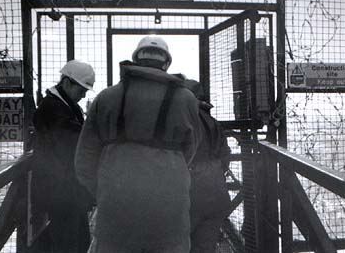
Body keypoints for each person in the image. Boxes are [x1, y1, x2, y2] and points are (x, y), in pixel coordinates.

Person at [75, 36, 202, 253]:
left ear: (135, 60)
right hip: (169, 210)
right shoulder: (187, 99)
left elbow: (84, 159)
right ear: (166, 63)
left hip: (116, 210)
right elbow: (191, 149)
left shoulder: (106, 97)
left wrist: (104, 190)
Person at [32, 59, 96, 253]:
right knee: (70, 243)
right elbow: (74, 143)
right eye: (82, 89)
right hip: (62, 192)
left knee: (74, 241)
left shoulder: (59, 106)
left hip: (64, 191)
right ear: (67, 82)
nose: (84, 94)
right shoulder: (54, 109)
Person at [182, 79, 232, 253]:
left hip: (190, 194)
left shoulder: (183, 120)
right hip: (216, 194)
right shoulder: (213, 122)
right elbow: (225, 156)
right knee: (205, 247)